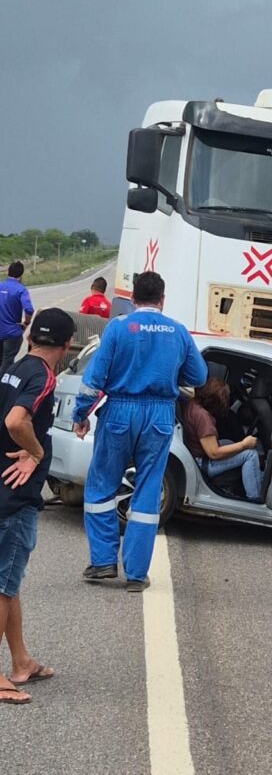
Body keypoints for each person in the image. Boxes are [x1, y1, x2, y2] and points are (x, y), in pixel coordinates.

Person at [72, 272, 207, 592]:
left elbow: (94, 380)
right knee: (147, 489)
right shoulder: (178, 331)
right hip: (159, 415)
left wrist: (81, 415)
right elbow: (199, 376)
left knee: (101, 486)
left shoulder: (118, 328)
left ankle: (103, 561)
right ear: (162, 299)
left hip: (119, 411)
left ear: (133, 298)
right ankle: (135, 575)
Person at [0, 308, 75, 705]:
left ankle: (21, 661)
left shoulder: (12, 369)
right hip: (16, 497)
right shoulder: (44, 376)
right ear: (67, 345)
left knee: (8, 581)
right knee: (3, 585)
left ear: (29, 337)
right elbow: (16, 422)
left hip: (2, 488)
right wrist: (37, 451)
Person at [181, 378, 263, 501]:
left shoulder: (193, 404)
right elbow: (213, 453)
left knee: (229, 443)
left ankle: (256, 475)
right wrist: (244, 444)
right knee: (251, 455)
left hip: (197, 453)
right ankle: (254, 498)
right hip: (202, 463)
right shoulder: (203, 418)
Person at [0, 262, 34, 376]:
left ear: (8, 271)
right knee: (7, 361)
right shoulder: (21, 290)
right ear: (21, 274)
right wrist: (26, 323)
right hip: (11, 333)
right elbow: (29, 309)